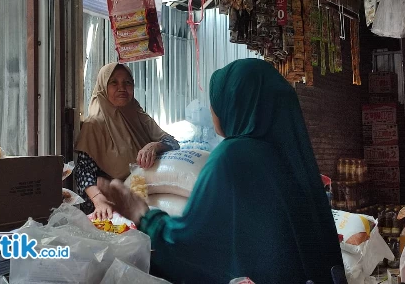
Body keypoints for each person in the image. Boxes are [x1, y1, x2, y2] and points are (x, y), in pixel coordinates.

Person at [98, 59, 344, 283]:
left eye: (215, 100)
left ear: (234, 102)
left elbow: (192, 247)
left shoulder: (234, 157)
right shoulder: (292, 155)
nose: (212, 109)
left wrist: (143, 215)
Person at [75, 63, 179, 220]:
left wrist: (154, 145)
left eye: (127, 82)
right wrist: (98, 200)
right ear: (103, 87)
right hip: (107, 205)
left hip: (141, 197)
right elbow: (83, 171)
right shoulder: (94, 124)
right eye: (114, 83)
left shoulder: (139, 116)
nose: (122, 88)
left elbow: (173, 143)